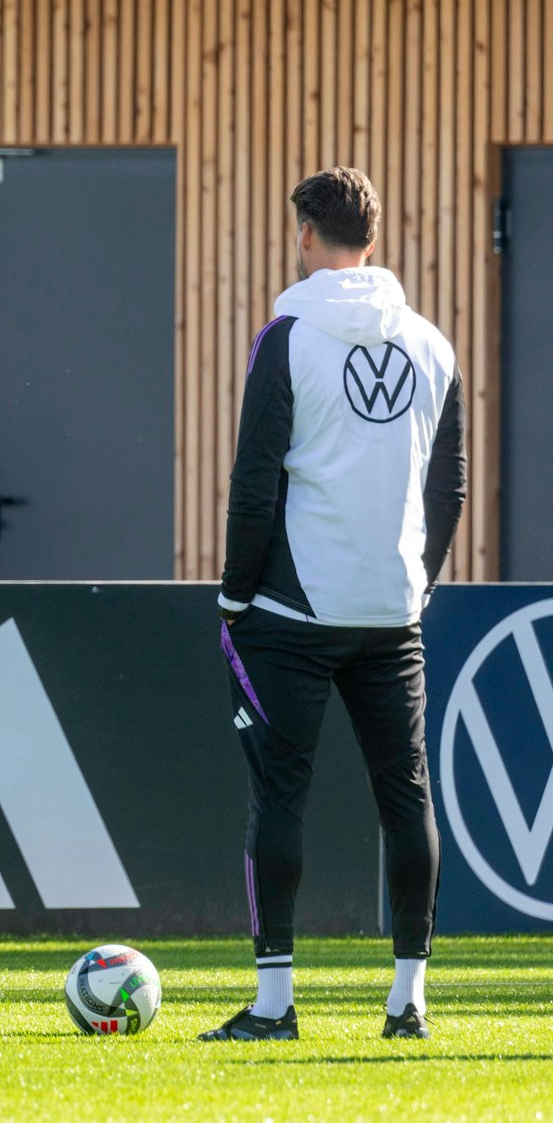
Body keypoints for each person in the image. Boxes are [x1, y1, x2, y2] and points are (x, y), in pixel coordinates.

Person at [201, 168, 465, 1042]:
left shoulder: (287, 337)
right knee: (407, 794)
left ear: (307, 235)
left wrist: (237, 592)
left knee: (280, 795)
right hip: (393, 613)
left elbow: (253, 484)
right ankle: (409, 1001)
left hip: (292, 612)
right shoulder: (433, 343)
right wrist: (418, 582)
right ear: (375, 240)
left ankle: (275, 1006)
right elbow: (449, 484)